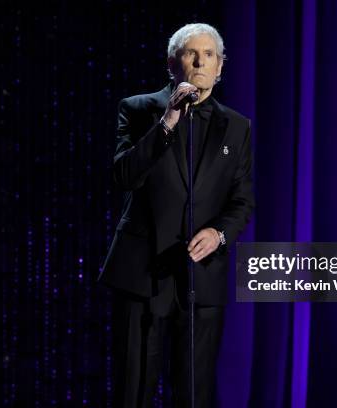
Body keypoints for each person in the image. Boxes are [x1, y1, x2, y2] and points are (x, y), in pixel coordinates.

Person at [99, 23, 254, 407]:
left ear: (220, 68)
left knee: (195, 392)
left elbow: (242, 200)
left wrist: (219, 234)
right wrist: (167, 122)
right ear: (172, 64)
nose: (201, 62)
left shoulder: (237, 127)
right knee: (133, 389)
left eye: (210, 56)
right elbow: (123, 176)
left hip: (202, 276)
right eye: (191, 54)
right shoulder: (138, 110)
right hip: (141, 275)